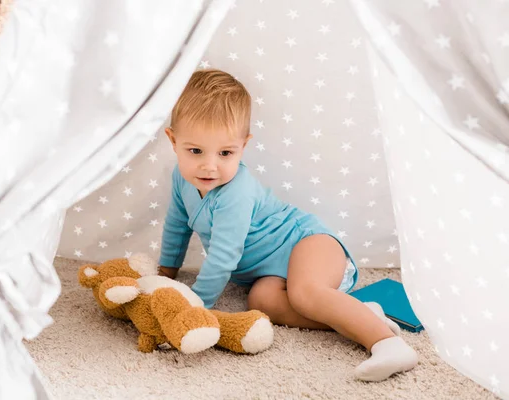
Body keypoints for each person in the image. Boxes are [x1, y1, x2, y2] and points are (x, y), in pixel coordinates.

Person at [157, 68, 418, 381]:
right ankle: (362, 315)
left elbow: (224, 256)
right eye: (195, 150)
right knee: (263, 302)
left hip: (307, 242)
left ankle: (388, 345)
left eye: (225, 152)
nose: (209, 165)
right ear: (173, 141)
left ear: (244, 145)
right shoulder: (180, 178)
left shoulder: (235, 193)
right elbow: (177, 224)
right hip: (270, 272)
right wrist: (165, 273)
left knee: (305, 292)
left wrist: (195, 306)